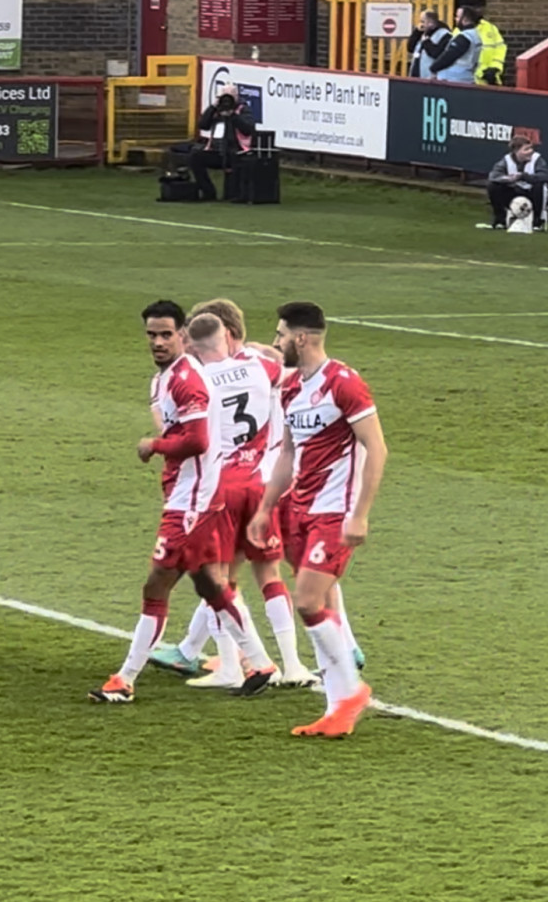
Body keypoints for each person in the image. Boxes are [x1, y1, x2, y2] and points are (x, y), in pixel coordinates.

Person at [88, 300, 278, 703]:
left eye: (165, 334)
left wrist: (153, 445)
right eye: (151, 335)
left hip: (193, 501)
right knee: (210, 583)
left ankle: (124, 680)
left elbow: (197, 440)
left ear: (184, 336)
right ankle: (260, 662)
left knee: (156, 586)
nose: (157, 342)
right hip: (192, 494)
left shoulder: (186, 380)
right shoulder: (166, 378)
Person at [151, 299, 316, 690]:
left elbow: (175, 433)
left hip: (218, 487)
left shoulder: (194, 380)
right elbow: (293, 368)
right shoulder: (261, 366)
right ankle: (293, 666)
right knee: (269, 574)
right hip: (260, 482)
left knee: (217, 579)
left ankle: (229, 666)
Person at [248, 302, 388, 739]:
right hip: (298, 509)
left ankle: (352, 692)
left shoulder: (344, 383)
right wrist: (267, 507)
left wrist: (361, 514)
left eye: (280, 335)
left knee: (308, 600)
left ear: (301, 338)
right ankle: (336, 708)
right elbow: (289, 452)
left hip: (334, 512)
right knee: (320, 606)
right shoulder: (291, 390)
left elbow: (377, 449)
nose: (276, 342)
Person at [190, 84, 256, 202]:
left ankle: (235, 194)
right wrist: (213, 107)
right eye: (223, 97)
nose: (226, 101)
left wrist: (233, 116)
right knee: (196, 158)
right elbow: (203, 125)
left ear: (236, 97)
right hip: (216, 151)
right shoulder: (216, 111)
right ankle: (208, 192)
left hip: (236, 152)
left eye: (229, 97)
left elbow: (248, 130)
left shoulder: (243, 110)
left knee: (231, 193)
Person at [481, 136, 548, 230]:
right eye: (526, 149)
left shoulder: (537, 159)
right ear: (516, 151)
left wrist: (524, 176)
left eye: (531, 148)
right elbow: (493, 176)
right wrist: (508, 179)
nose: (530, 151)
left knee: (539, 185)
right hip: (514, 191)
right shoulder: (506, 160)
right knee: (493, 186)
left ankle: (537, 221)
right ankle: (500, 220)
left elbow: (544, 176)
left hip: (533, 194)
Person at [428, 6, 483, 84]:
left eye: (457, 17)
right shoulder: (475, 35)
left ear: (465, 19)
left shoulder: (464, 37)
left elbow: (449, 56)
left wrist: (433, 68)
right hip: (466, 77)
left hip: (453, 79)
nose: (455, 19)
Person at [406, 10, 451, 78]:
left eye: (423, 22)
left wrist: (426, 42)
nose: (420, 25)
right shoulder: (422, 32)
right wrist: (416, 32)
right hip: (416, 74)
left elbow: (437, 53)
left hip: (431, 77)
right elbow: (410, 48)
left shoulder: (444, 35)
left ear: (431, 23)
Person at [474, 12, 507, 85]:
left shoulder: (491, 28)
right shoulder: (459, 31)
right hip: (469, 81)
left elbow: (501, 49)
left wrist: (495, 67)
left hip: (490, 80)